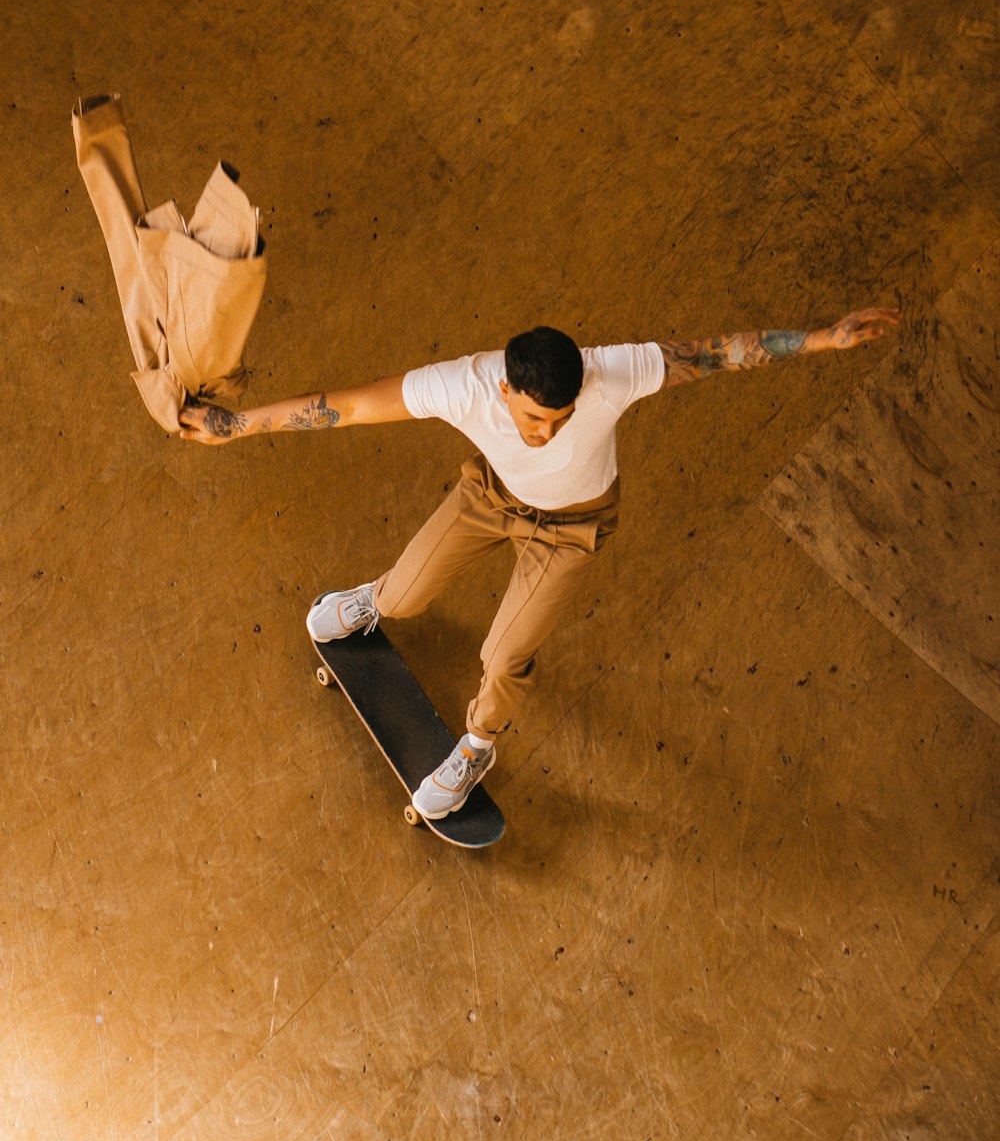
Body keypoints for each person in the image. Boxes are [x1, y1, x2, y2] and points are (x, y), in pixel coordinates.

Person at [179, 307, 901, 819]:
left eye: (559, 420)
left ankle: (476, 748)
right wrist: (238, 424)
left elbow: (713, 353)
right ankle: (376, 597)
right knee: (402, 601)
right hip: (489, 497)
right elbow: (349, 406)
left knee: (503, 653)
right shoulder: (460, 384)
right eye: (533, 420)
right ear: (503, 390)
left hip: (572, 529)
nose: (546, 432)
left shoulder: (611, 373)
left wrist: (820, 340)